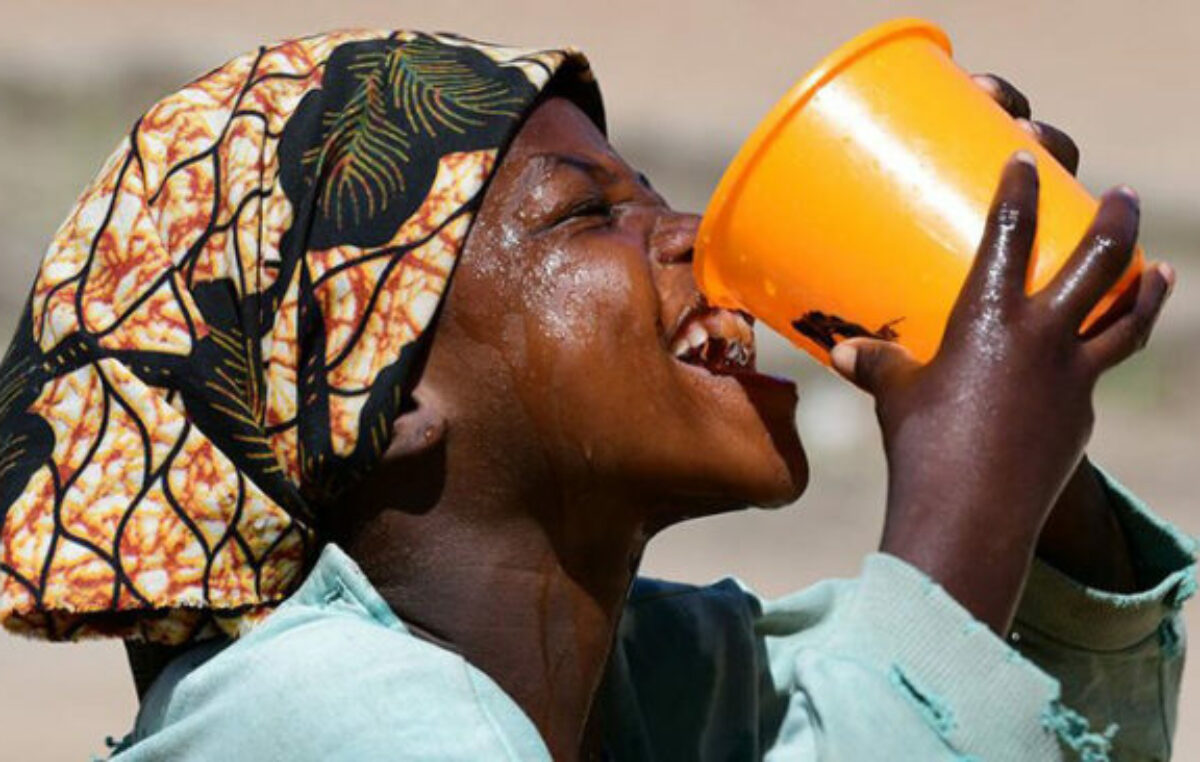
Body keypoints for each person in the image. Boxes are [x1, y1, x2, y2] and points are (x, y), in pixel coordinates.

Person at [0, 30, 1192, 762]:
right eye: (587, 215)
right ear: (391, 392)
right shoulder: (317, 719)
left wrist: (1012, 401)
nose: (690, 238)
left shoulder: (646, 688)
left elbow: (1045, 733)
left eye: (653, 196)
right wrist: (960, 507)